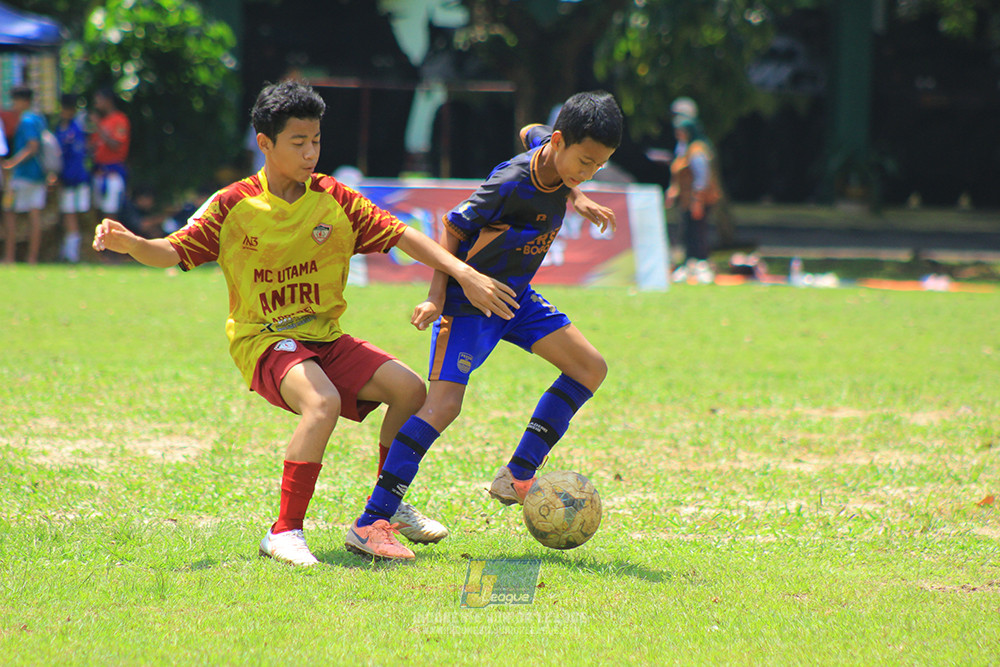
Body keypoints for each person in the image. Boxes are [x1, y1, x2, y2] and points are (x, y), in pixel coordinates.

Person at [92, 80, 518, 565]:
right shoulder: (234, 204)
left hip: (324, 338)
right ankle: (284, 531)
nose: (311, 152)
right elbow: (171, 249)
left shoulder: (334, 199)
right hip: (265, 339)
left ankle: (388, 510)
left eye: (316, 140)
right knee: (323, 403)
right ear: (265, 143)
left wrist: (463, 272)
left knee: (409, 390)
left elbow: (403, 235)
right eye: (298, 142)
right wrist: (131, 244)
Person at [350, 91, 622, 537]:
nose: (589, 172)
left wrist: (578, 194)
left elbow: (530, 131)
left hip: (514, 298)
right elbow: (453, 229)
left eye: (598, 166)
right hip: (469, 302)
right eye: (585, 162)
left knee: (589, 367)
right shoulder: (513, 181)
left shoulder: (554, 153)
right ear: (559, 142)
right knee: (442, 406)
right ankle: (372, 520)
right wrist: (438, 297)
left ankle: (518, 474)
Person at [666, 118, 721, 284]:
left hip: (697, 199)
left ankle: (701, 265)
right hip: (686, 199)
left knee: (698, 232)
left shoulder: (697, 150)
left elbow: (701, 178)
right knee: (687, 231)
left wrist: (698, 202)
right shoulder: (684, 147)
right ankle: (688, 264)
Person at [2, 86, 48, 264]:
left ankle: (10, 257)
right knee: (34, 215)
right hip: (39, 174)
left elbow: (32, 146)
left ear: (24, 101)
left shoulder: (27, 120)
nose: (14, 105)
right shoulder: (39, 119)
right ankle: (32, 258)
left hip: (23, 175)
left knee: (9, 213)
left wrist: (11, 163)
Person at [56, 93, 91, 263]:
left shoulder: (74, 131)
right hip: (66, 179)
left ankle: (72, 254)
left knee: (72, 215)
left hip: (74, 180)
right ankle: (70, 251)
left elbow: (77, 159)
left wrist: (67, 178)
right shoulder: (60, 129)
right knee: (68, 215)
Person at [90, 88, 130, 222]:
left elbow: (116, 145)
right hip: (99, 172)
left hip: (112, 173)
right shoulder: (102, 121)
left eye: (99, 100)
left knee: (111, 215)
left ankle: (112, 242)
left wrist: (99, 127)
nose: (96, 103)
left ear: (107, 101)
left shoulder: (119, 119)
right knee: (98, 213)